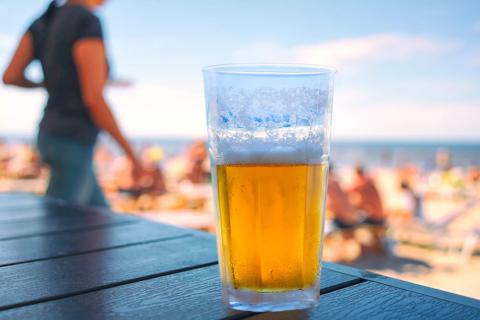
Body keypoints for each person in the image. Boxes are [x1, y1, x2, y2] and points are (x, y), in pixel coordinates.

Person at [2, 0, 142, 208]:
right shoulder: (86, 20)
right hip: (72, 139)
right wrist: (130, 153)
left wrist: (50, 83)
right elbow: (93, 98)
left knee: (99, 219)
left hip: (50, 133)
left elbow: (11, 76)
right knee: (61, 226)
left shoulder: (43, 21)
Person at [327, 164, 359, 229]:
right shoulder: (337, 182)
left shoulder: (328, 183)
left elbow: (333, 205)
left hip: (343, 222)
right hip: (352, 218)